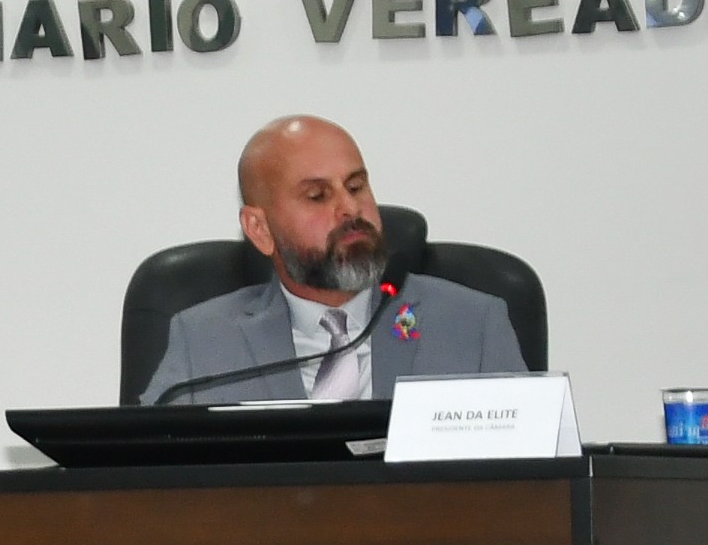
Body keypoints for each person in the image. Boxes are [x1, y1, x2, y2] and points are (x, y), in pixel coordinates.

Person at [136, 115, 529, 404]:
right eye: (317, 196)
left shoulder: (472, 324)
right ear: (260, 229)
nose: (350, 209)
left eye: (356, 186)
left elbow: (528, 477)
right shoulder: (203, 341)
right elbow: (151, 478)